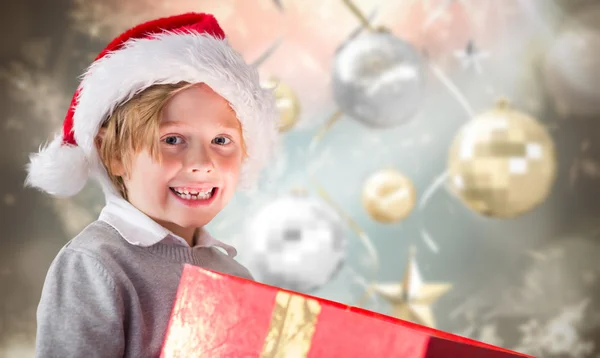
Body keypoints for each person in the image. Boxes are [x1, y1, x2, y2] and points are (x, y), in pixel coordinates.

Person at [25, 12, 279, 357]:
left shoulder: (235, 274)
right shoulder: (94, 264)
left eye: (221, 140)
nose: (202, 163)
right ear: (112, 153)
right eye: (173, 139)